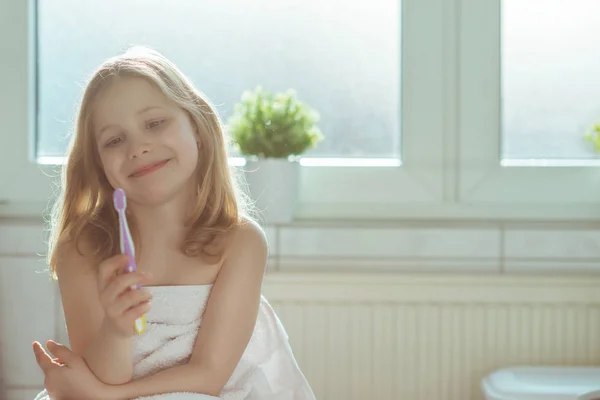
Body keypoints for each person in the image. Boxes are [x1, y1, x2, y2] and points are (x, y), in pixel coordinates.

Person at [32, 46, 315, 400]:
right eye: (114, 140)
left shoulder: (240, 243)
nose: (138, 147)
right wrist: (117, 331)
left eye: (155, 123)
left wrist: (111, 395)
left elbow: (209, 376)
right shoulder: (82, 250)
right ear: (98, 163)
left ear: (197, 127)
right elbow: (101, 379)